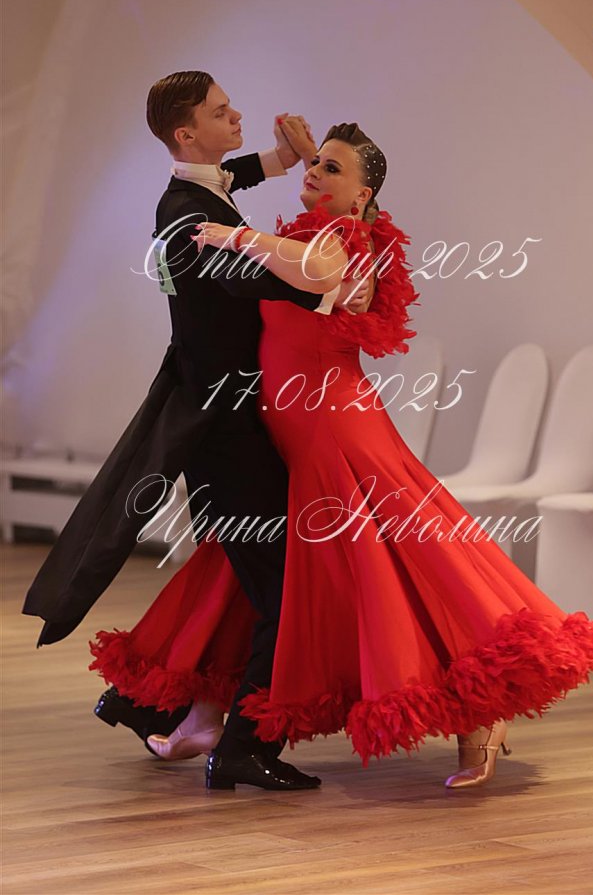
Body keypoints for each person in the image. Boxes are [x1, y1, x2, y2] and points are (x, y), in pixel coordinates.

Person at [88, 122, 593, 792]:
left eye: (332, 168)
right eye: (315, 163)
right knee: (265, 569)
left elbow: (322, 270)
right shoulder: (310, 235)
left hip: (333, 426)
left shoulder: (340, 238)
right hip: (290, 429)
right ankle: (208, 713)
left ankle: (481, 714)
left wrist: (232, 235)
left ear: (362, 196)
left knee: (401, 565)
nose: (315, 172)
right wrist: (271, 180)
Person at [22, 72, 369, 790]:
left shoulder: (198, 192)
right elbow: (252, 277)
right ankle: (242, 746)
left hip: (225, 422)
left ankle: (148, 702)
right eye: (220, 111)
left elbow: (230, 179)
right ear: (187, 133)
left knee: (241, 577)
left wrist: (280, 159)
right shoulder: (187, 220)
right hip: (222, 431)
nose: (235, 114)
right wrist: (334, 286)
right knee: (282, 587)